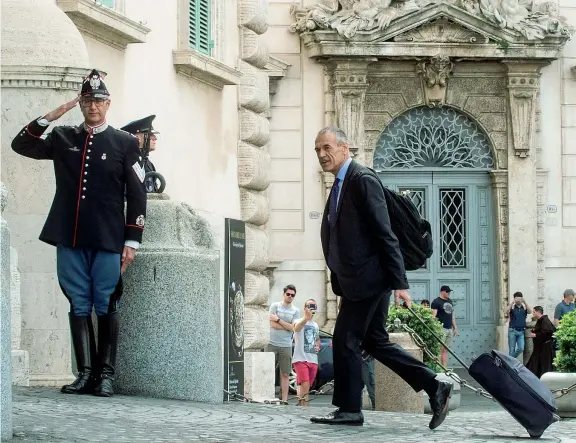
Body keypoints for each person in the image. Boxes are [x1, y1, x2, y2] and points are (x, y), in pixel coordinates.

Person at [11, 69, 147, 397]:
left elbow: (138, 193)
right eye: (87, 101)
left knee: (106, 301)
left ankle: (106, 375)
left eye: (99, 101)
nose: (93, 107)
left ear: (108, 103)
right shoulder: (63, 137)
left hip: (107, 236)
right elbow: (22, 144)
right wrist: (51, 115)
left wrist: (132, 240)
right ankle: (84, 373)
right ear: (81, 103)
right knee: (78, 301)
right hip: (69, 234)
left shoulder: (125, 142)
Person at [310, 126, 451, 429]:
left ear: (345, 148)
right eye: (318, 150)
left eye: (327, 148)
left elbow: (384, 233)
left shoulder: (361, 180)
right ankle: (435, 385)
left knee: (345, 339)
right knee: (374, 341)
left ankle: (349, 409)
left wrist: (400, 282)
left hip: (369, 279)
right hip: (361, 279)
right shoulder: (342, 182)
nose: (322, 154)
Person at [268, 284, 301, 404]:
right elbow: (272, 325)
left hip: (286, 345)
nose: (290, 297)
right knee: (269, 371)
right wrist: (287, 325)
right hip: (271, 343)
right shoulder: (275, 306)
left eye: (293, 295)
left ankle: (284, 400)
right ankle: (269, 396)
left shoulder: (296, 310)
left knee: (285, 373)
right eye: (288, 294)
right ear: (283, 294)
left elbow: (294, 328)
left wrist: (278, 320)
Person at [120, 115, 160, 193]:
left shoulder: (149, 164)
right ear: (137, 138)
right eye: (149, 135)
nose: (155, 138)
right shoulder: (125, 161)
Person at [292, 299, 320, 407]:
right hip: (300, 358)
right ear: (305, 308)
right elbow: (297, 328)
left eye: (314, 306)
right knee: (305, 383)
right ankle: (305, 407)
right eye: (310, 306)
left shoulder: (316, 325)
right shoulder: (297, 320)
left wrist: (317, 346)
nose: (312, 308)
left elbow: (317, 338)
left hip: (313, 359)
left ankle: (300, 404)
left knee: (306, 385)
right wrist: (305, 318)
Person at [431, 286, 459, 367]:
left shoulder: (449, 301)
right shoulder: (436, 302)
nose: (448, 293)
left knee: (446, 350)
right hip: (441, 329)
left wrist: (455, 327)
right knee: (439, 350)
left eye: (449, 292)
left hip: (449, 328)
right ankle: (439, 368)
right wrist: (435, 328)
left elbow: (452, 314)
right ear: (442, 292)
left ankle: (445, 368)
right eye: (447, 292)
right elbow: (433, 315)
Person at [526, 306, 556, 378]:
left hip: (545, 348)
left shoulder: (544, 320)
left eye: (534, 312)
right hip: (541, 347)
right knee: (535, 363)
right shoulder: (541, 320)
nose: (533, 314)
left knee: (543, 364)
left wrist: (535, 335)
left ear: (538, 312)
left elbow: (547, 332)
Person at [504, 291, 532, 359]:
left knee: (521, 348)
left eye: (520, 298)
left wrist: (525, 302)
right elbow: (505, 311)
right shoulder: (512, 307)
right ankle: (510, 363)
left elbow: (530, 311)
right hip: (512, 331)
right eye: (517, 298)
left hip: (521, 332)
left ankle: (509, 359)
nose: (518, 300)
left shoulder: (524, 307)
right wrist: (512, 302)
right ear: (514, 298)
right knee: (511, 350)